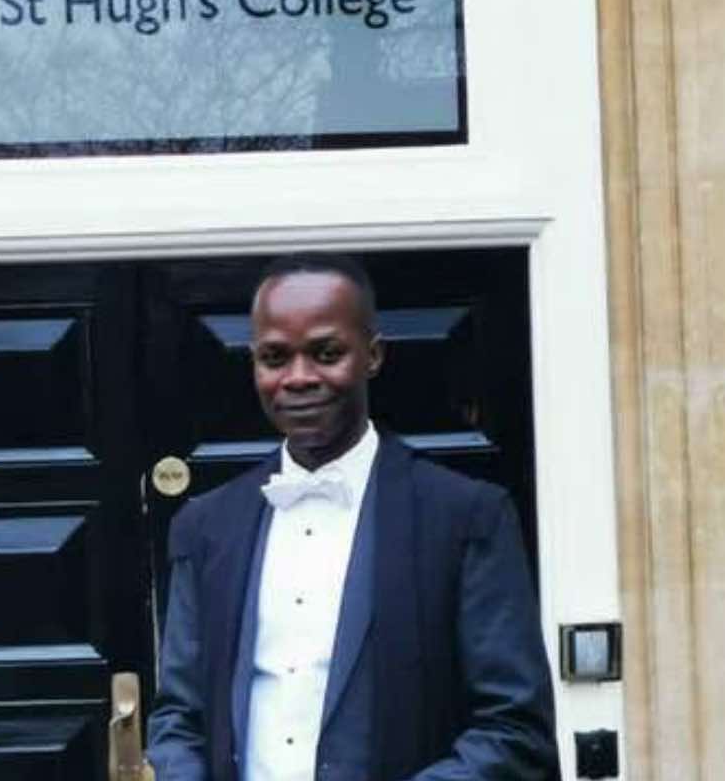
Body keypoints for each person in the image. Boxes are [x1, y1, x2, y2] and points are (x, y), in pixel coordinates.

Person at [146, 253, 558, 781]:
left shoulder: (466, 518)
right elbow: (178, 716)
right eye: (275, 357)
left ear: (373, 355)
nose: (298, 378)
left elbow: (515, 729)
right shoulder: (205, 526)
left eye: (326, 353)